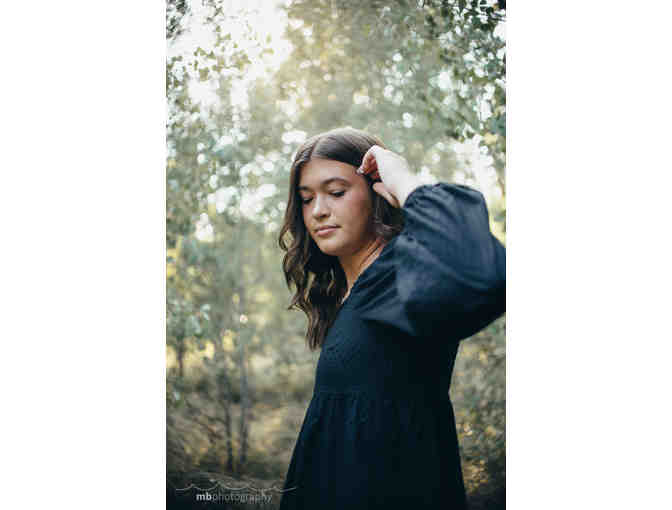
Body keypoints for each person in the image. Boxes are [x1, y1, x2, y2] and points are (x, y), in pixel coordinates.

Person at [277, 127, 505, 509]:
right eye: (306, 198)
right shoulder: (348, 296)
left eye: (336, 192)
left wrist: (405, 183)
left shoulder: (401, 277)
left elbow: (485, 273)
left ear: (376, 192)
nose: (318, 210)